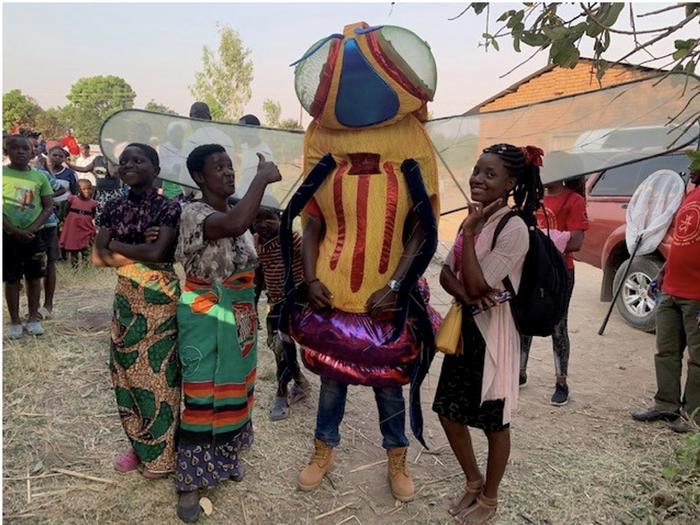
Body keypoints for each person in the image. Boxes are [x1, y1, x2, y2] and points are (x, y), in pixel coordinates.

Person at [433, 144, 543, 525]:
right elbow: (448, 274)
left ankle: (490, 499)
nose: (478, 179)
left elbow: (478, 282)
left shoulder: (513, 229)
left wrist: (469, 238)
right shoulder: (476, 219)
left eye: (490, 174)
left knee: (495, 422)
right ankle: (472, 480)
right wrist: (469, 293)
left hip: (493, 336)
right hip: (466, 326)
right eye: (477, 170)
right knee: (448, 412)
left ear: (510, 182)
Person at [172, 144, 280, 523]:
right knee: (202, 390)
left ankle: (225, 456)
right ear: (200, 177)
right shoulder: (194, 212)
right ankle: (190, 481)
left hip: (240, 310)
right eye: (218, 167)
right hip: (205, 310)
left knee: (238, 386)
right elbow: (233, 224)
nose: (228, 172)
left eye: (230, 165)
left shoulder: (239, 209)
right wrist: (262, 179)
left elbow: (248, 236)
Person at [92, 143, 182, 479]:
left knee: (159, 376)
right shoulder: (112, 207)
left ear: (156, 169)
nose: (129, 164)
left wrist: (114, 244)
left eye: (139, 160)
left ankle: (163, 455)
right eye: (124, 160)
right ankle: (140, 444)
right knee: (126, 374)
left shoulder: (168, 207)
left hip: (159, 297)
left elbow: (159, 253)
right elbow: (96, 258)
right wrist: (138, 250)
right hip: (126, 298)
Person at [632, 165, 700, 433]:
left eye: (696, 162)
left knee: (697, 358)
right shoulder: (691, 195)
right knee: (666, 351)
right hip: (672, 289)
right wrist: (662, 274)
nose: (691, 168)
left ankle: (692, 414)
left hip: (697, 296)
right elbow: (683, 242)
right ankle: (666, 404)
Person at [519, 177, 589, 405]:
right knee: (524, 317)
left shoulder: (574, 200)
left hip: (560, 270)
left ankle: (561, 382)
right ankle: (520, 371)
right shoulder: (533, 196)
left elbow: (576, 241)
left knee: (559, 324)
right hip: (531, 267)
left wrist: (542, 247)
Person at [253, 207, 310, 421]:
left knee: (285, 343)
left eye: (269, 218)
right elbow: (259, 274)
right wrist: (254, 303)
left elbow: (309, 261)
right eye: (257, 218)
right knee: (276, 344)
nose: (263, 223)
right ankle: (299, 382)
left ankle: (282, 392)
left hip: (298, 297)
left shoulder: (292, 238)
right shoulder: (257, 241)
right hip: (276, 302)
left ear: (280, 218)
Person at [2, 135, 54, 338]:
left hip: (35, 236)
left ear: (33, 152)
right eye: (15, 148)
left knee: (34, 278)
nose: (21, 152)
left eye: (26, 148)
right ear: (7, 152)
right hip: (8, 236)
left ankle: (33, 318)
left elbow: (48, 206)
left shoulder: (39, 177)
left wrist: (31, 228)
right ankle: (14, 321)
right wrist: (14, 230)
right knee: (12, 279)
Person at [28, 135, 67, 319]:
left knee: (50, 263)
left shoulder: (41, 175)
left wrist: (48, 199)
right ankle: (32, 309)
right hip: (24, 227)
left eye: (29, 148)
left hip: (48, 225)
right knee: (31, 266)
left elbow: (61, 189)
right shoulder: (6, 174)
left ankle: (47, 305)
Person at [60, 179, 97, 267]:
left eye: (89, 189)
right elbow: (66, 210)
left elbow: (93, 215)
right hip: (73, 228)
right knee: (74, 249)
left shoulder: (93, 203)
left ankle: (86, 268)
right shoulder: (72, 199)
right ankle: (74, 268)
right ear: (78, 190)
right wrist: (65, 220)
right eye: (83, 189)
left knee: (85, 248)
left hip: (85, 227)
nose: (87, 191)